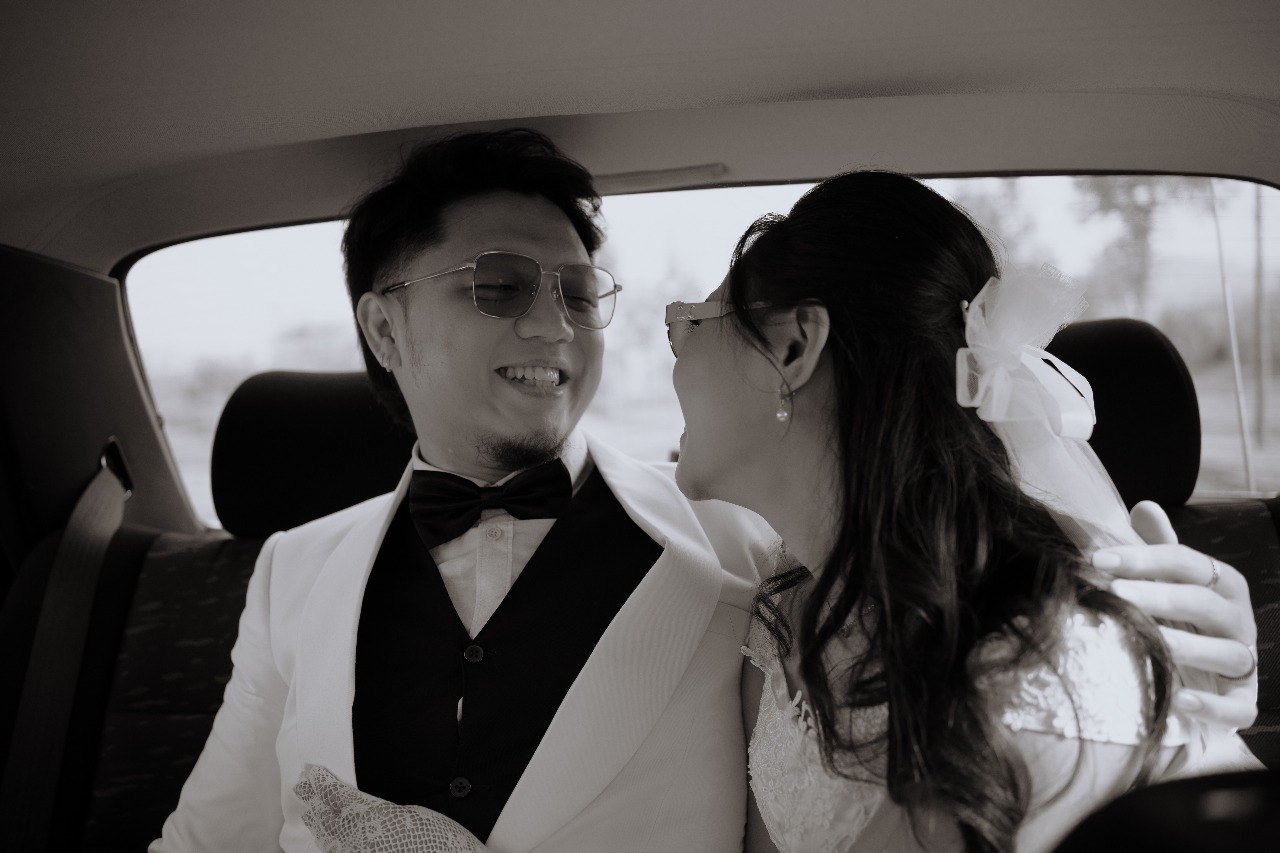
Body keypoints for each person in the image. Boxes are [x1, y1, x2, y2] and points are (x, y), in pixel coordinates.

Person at [152, 133, 1259, 853]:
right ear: (383, 327)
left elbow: (963, 597)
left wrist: (1199, 675)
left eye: (579, 290)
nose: (555, 325)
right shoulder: (287, 577)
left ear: (795, 351)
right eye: (498, 286)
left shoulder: (750, 549)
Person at [666, 171, 1262, 853]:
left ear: (793, 347)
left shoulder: (1045, 673)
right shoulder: (782, 614)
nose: (675, 356)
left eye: (690, 323)